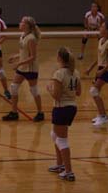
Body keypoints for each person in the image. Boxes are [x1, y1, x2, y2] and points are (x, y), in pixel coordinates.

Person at [47, 47, 81, 181]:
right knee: (54, 134)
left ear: (59, 58)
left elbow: (57, 96)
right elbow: (78, 93)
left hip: (61, 108)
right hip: (72, 107)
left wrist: (49, 89)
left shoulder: (59, 73)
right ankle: (59, 164)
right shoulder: (75, 72)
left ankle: (69, 171)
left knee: (61, 140)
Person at [2, 16, 44, 122]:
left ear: (27, 25)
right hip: (22, 67)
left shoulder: (31, 38)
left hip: (30, 68)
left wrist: (18, 63)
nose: (20, 23)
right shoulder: (22, 36)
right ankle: (14, 113)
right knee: (14, 87)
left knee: (34, 90)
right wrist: (15, 57)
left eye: (22, 22)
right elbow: (23, 52)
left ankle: (40, 113)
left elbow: (33, 57)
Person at [85, 22, 108, 127]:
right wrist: (91, 68)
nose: (100, 27)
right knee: (96, 92)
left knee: (93, 91)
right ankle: (101, 115)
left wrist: (102, 71)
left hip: (106, 70)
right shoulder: (100, 41)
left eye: (103, 26)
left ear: (107, 31)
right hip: (100, 69)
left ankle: (103, 116)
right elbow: (99, 57)